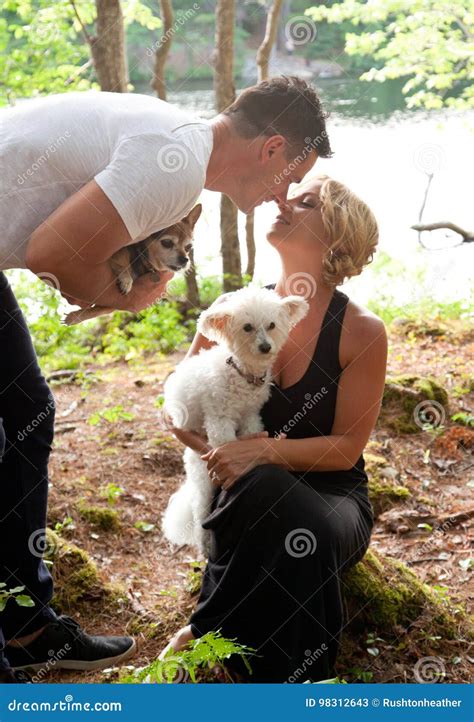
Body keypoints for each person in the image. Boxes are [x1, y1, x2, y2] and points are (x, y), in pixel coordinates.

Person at [0, 76, 332, 681]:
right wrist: (126, 301)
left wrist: (110, 291)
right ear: (273, 148)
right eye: (293, 174)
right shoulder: (174, 164)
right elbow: (50, 254)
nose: (285, 195)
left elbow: (67, 247)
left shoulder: (176, 142)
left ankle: (26, 627)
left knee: (26, 416)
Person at [162, 175, 387, 683]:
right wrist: (217, 454)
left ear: (337, 235)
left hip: (331, 498)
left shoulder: (362, 331)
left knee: (279, 499)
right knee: (256, 486)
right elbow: (176, 401)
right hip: (237, 488)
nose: (283, 200)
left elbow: (347, 449)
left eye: (305, 202)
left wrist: (264, 454)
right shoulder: (238, 309)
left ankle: (210, 632)